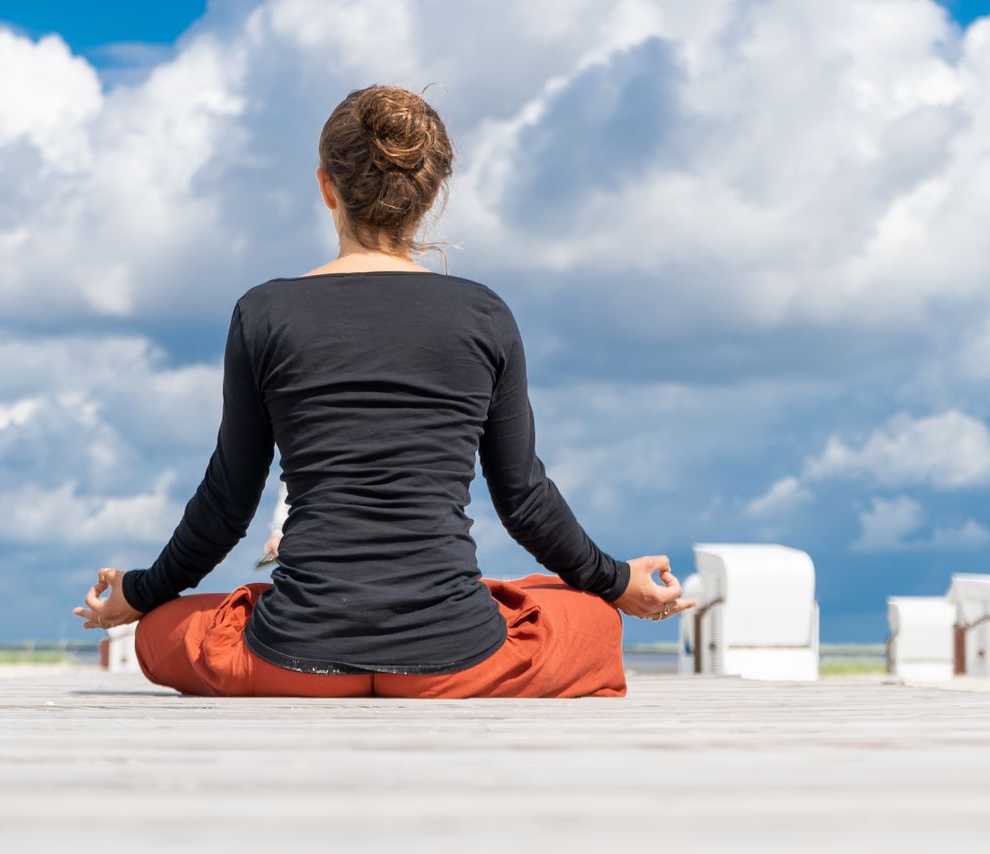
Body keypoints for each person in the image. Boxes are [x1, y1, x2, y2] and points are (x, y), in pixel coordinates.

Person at [73, 83, 695, 698]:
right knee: (589, 618)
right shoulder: (484, 314)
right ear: (430, 198)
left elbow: (228, 503)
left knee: (160, 630)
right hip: (455, 659)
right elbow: (524, 501)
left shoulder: (263, 313)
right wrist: (616, 582)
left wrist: (140, 592)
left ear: (326, 187)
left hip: (296, 655)